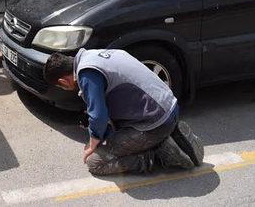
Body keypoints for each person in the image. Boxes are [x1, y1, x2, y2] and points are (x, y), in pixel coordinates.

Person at [44, 49, 204, 176]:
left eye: (62, 87)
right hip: (170, 107)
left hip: (155, 122)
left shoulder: (86, 74)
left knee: (95, 162)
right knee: (112, 133)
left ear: (63, 81)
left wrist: (92, 144)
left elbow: (98, 115)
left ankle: (158, 155)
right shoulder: (95, 55)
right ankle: (170, 134)